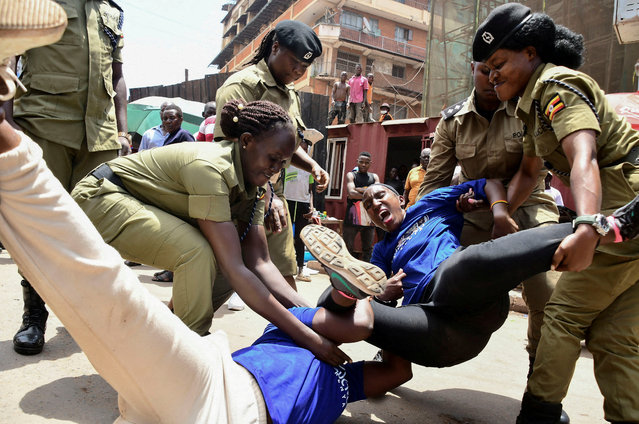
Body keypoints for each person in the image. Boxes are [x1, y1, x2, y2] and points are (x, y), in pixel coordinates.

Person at [70, 101, 346, 371]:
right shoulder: (211, 168)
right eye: (273, 159)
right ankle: (189, 358)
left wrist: (314, 318)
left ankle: (163, 342)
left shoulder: (256, 184)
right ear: (247, 141)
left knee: (226, 266)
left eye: (283, 164)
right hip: (101, 197)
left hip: (140, 203)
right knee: (197, 252)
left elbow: (261, 264)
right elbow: (237, 267)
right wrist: (306, 336)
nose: (276, 169)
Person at [472, 3, 639, 422]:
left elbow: (584, 155)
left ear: (531, 53)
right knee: (615, 334)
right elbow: (531, 170)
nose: (493, 76)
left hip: (624, 212)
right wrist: (502, 213)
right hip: (623, 217)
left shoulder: (556, 84)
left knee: (562, 316)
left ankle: (539, 414)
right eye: (487, 68)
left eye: (499, 63)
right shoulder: (529, 108)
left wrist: (586, 227)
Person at [301, 182, 639, 381]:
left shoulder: (429, 205)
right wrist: (384, 293)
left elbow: (488, 181)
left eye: (380, 197)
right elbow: (383, 311)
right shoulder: (382, 252)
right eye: (368, 206)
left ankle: (607, 227)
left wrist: (499, 211)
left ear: (400, 198)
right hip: (439, 337)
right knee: (340, 306)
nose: (375, 205)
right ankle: (314, 373)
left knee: (470, 262)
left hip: (462, 290)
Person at [417, 59, 560, 384]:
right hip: (473, 206)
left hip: (530, 205)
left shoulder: (531, 111)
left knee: (549, 291)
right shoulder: (452, 120)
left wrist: (503, 211)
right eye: (485, 68)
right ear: (472, 67)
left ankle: (543, 386)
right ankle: (397, 346)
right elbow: (435, 181)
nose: (494, 77)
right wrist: (418, 227)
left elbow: (531, 172)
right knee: (423, 265)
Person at [2, 0, 131, 356]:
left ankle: (88, 315)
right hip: (44, 124)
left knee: (97, 231)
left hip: (100, 136)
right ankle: (34, 316)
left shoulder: (113, 10)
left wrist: (122, 131)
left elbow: (117, 74)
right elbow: (8, 57)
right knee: (41, 229)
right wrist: (8, 121)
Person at [213, 20, 330, 292]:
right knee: (216, 279)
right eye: (294, 63)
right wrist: (267, 193)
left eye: (305, 67)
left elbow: (288, 146)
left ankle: (294, 332)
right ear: (275, 48)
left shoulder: (291, 95)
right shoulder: (242, 85)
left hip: (274, 197)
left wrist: (311, 165)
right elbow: (230, 148)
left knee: (285, 274)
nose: (299, 71)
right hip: (237, 198)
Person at [284, 129, 324, 284]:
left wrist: (311, 207)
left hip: (303, 204)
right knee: (285, 236)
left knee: (300, 237)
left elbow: (310, 190)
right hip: (288, 201)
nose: (304, 150)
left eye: (306, 147)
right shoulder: (288, 165)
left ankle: (301, 268)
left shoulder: (310, 169)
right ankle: (284, 269)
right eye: (301, 147)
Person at [343, 152, 380, 262]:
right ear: (357, 162)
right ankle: (346, 272)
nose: (363, 165)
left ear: (370, 164)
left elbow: (377, 193)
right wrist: (369, 192)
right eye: (361, 162)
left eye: (366, 163)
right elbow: (351, 194)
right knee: (347, 247)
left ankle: (366, 274)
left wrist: (359, 189)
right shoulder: (351, 175)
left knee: (368, 249)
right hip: (352, 217)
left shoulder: (374, 177)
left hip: (369, 219)